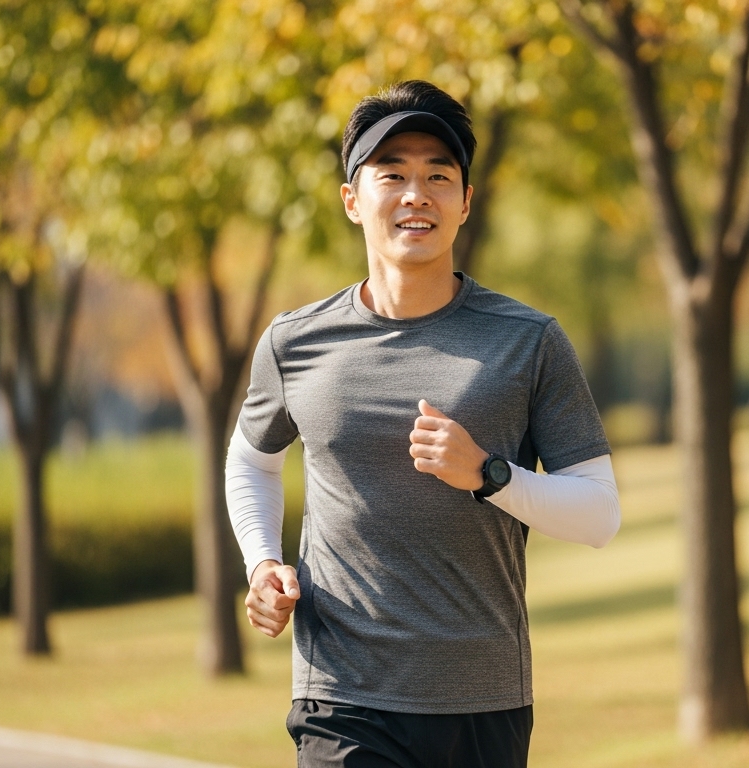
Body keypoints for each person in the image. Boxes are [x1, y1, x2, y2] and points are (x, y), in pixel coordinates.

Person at [224, 80, 621, 768]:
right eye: (392, 174)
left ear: (465, 202)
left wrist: (489, 475)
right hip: (341, 697)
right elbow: (250, 460)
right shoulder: (294, 342)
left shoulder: (528, 341)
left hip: (482, 701)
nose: (417, 195)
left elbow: (599, 514)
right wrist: (262, 563)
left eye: (439, 176)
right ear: (352, 199)